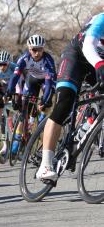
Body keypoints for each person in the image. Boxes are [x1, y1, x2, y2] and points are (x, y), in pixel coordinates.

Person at [36, 13, 104, 181]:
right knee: (64, 103)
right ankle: (45, 166)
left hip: (97, 64)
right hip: (77, 56)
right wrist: (100, 65)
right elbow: (88, 45)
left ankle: (81, 135)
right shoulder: (102, 19)